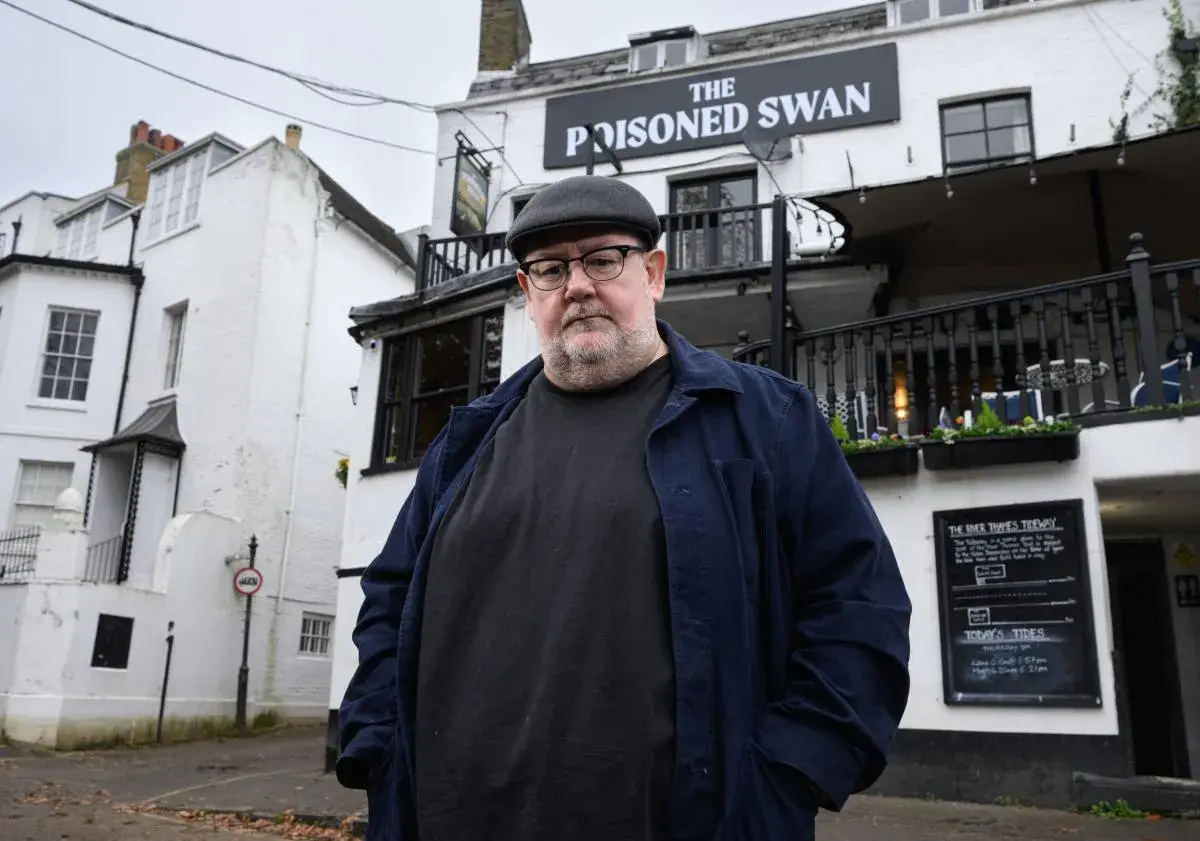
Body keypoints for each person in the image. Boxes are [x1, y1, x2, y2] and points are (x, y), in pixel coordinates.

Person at [336, 175, 912, 841]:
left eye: (603, 259)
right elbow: (389, 594)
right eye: (550, 270)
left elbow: (857, 604)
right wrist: (378, 746)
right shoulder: (465, 443)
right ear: (530, 295)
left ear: (654, 272)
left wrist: (790, 773)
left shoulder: (765, 420)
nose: (577, 286)